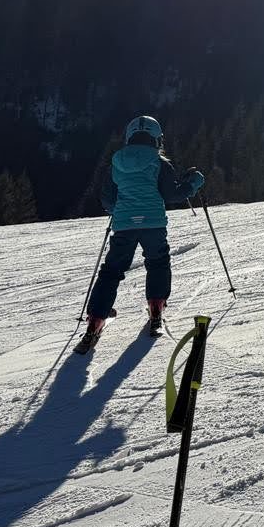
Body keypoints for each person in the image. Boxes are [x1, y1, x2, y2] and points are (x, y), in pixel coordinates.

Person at [75, 115, 204, 354]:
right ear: (157, 139)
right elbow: (172, 195)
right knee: (158, 263)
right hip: (153, 223)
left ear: (130, 137)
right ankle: (156, 309)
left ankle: (95, 322)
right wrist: (193, 183)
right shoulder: (160, 163)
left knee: (111, 271)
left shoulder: (116, 162)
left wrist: (121, 209)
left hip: (124, 225)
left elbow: (108, 200)